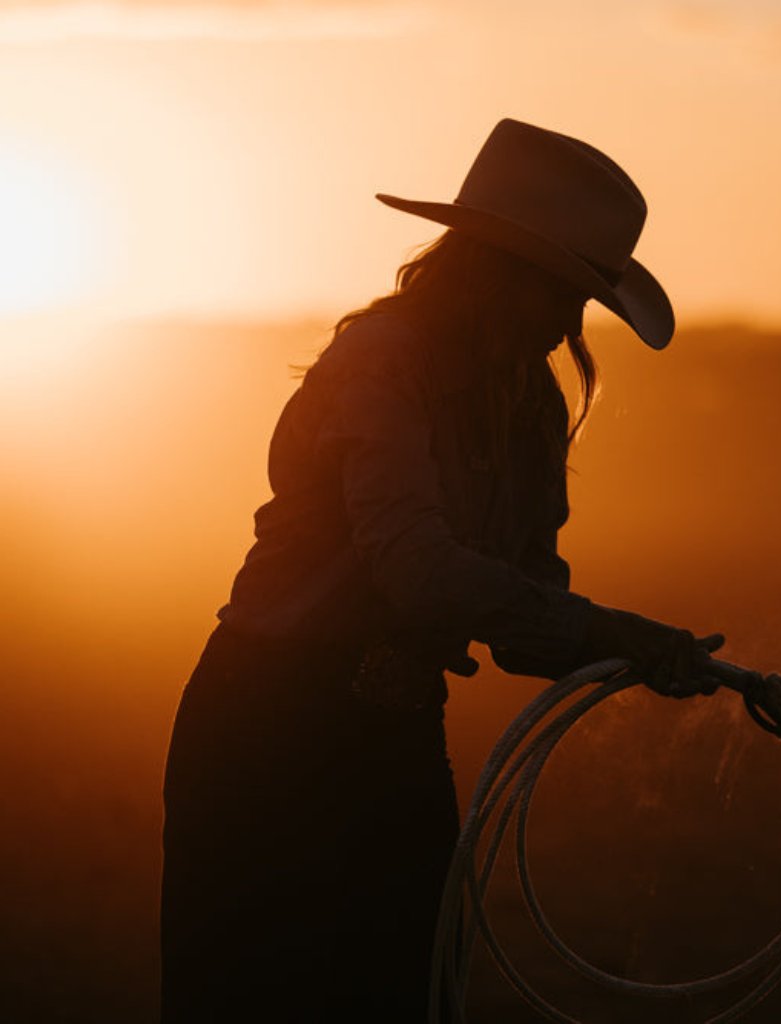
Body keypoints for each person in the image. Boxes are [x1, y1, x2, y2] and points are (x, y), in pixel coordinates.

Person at [160, 118, 728, 1022]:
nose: (564, 325)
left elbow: (528, 613)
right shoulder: (381, 363)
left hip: (394, 731)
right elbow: (417, 569)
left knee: (395, 990)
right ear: (498, 274)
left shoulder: (529, 405)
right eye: (559, 294)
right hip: (264, 729)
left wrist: (658, 658)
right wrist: (614, 633)